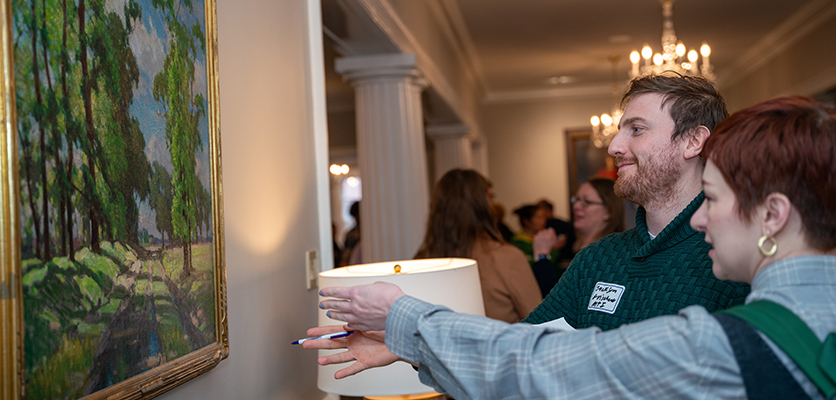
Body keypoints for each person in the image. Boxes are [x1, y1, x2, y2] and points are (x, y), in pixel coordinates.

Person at [306, 96, 836, 399]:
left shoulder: (725, 342)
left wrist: (406, 320)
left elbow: (547, 368)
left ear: (773, 214)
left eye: (714, 198)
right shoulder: (601, 257)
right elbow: (531, 342)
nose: (701, 217)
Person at [524, 73, 749, 329]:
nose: (613, 147)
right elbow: (522, 347)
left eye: (636, 130)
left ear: (693, 141)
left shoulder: (736, 262)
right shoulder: (596, 259)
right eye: (620, 130)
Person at [413, 169, 542, 323]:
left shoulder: (421, 261)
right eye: (491, 196)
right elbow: (540, 324)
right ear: (482, 205)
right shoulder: (507, 258)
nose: (494, 203)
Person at [512, 204, 565, 297]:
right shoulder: (519, 242)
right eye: (539, 217)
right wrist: (553, 249)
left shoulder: (542, 237)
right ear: (527, 221)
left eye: (544, 217)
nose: (543, 220)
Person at [569, 177, 624, 252]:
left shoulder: (610, 253)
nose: (576, 206)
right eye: (577, 199)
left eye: (586, 202)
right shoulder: (576, 246)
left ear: (608, 211)